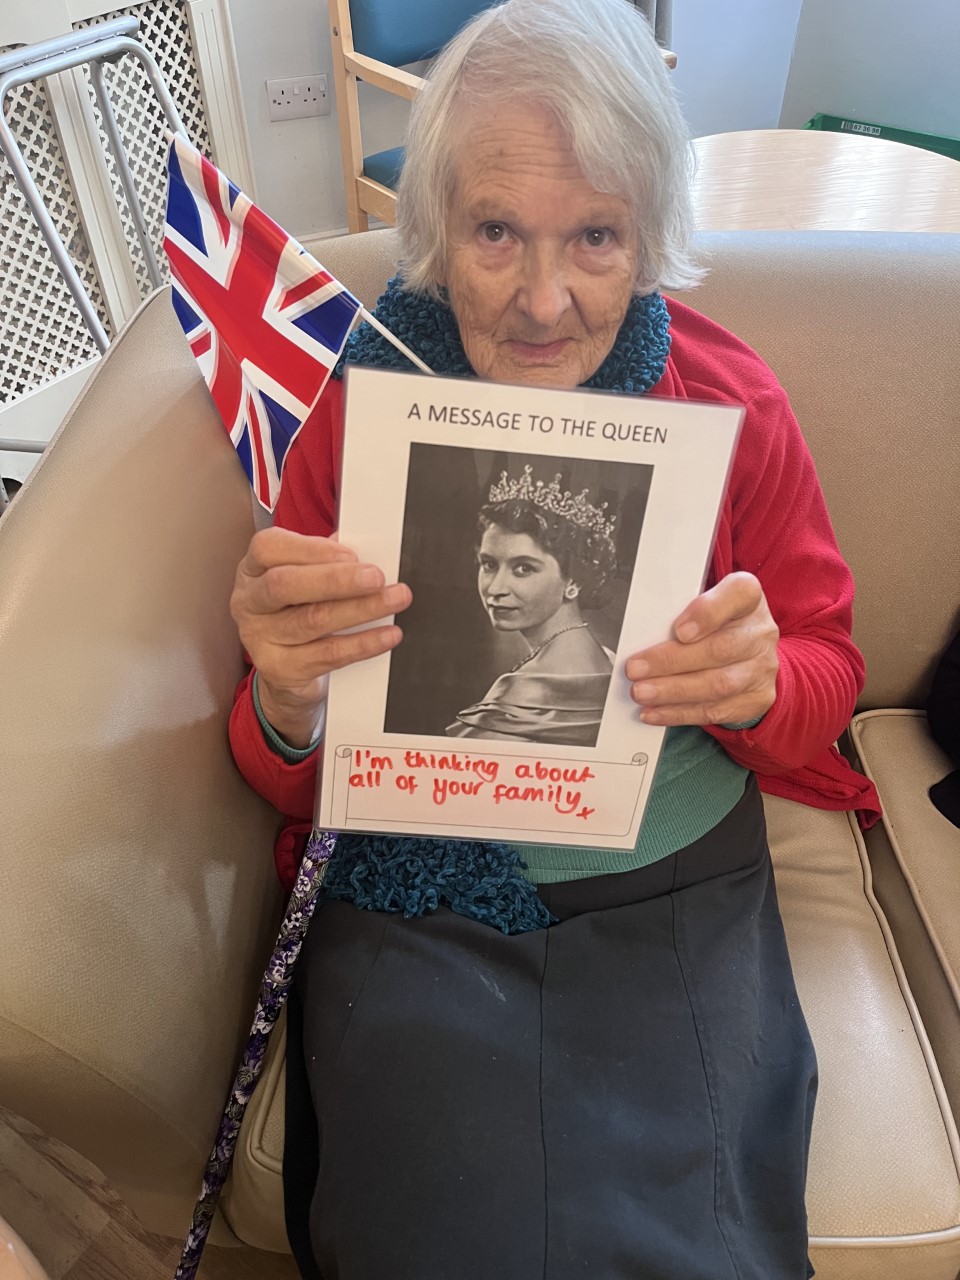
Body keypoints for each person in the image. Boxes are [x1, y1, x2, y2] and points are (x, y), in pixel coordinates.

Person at [227, 0, 881, 1275]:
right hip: (418, 893)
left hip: (674, 887)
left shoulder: (732, 400)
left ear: (648, 238)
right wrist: (287, 704)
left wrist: (760, 682)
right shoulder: (363, 414)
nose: (543, 300)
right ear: (437, 227)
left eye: (594, 235)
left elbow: (829, 665)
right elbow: (284, 765)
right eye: (495, 232)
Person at [446, 464, 616, 745]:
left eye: (523, 568)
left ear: (574, 580)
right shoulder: (604, 658)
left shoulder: (520, 697)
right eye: (488, 565)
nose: (496, 589)